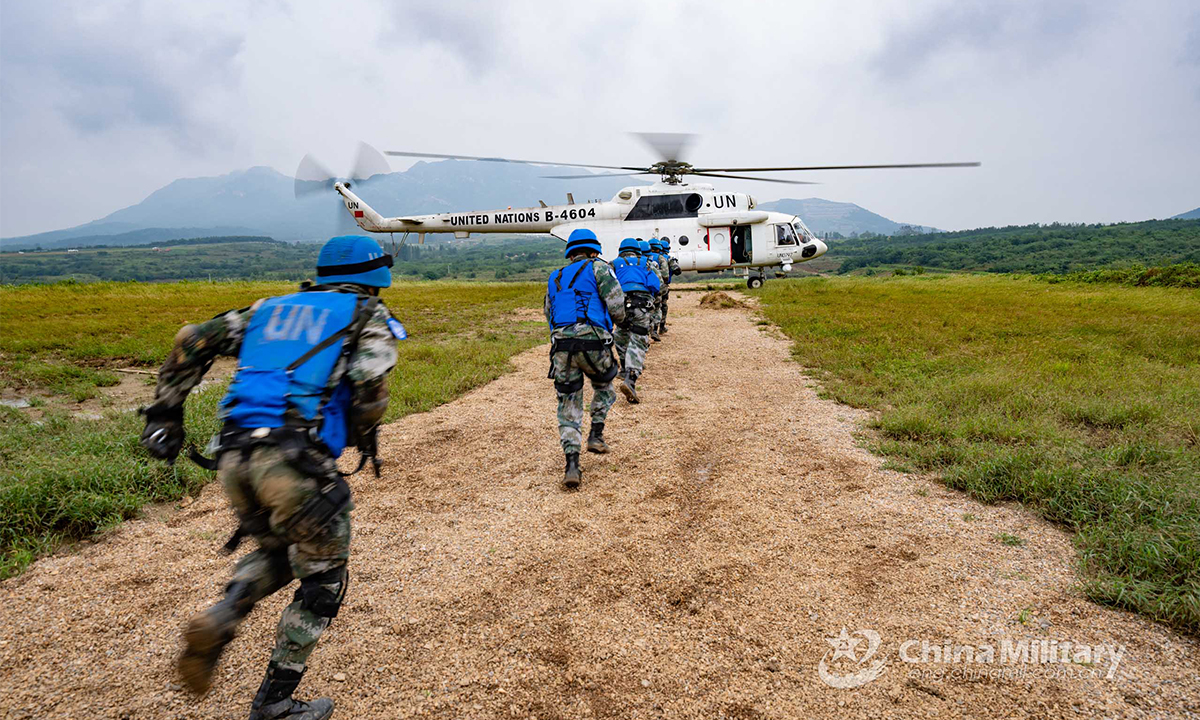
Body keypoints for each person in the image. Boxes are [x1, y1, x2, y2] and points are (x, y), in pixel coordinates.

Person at [140, 235, 404, 720]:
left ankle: (222, 616)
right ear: (376, 277)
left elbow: (191, 338)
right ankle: (275, 703)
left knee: (280, 550)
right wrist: (365, 435)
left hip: (235, 458)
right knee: (324, 579)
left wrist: (166, 414)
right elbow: (371, 391)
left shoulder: (270, 308)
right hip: (293, 464)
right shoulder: (366, 314)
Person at [545, 228, 625, 488]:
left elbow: (549, 313)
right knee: (605, 385)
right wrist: (618, 323)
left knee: (569, 404)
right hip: (593, 343)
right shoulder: (600, 269)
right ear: (594, 250)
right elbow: (616, 305)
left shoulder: (554, 276)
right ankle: (596, 435)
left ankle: (572, 463)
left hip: (561, 347)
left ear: (570, 252)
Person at [610, 237, 660, 404]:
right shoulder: (646, 262)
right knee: (638, 340)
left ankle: (624, 367)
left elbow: (608, 287)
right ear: (637, 250)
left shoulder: (614, 264)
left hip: (621, 306)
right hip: (641, 305)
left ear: (621, 250)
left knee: (621, 334)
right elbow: (655, 284)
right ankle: (630, 379)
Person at [652, 238, 680, 334]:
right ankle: (661, 327)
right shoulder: (666, 258)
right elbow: (677, 270)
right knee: (662, 307)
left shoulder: (645, 257)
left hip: (647, 286)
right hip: (662, 286)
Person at [640, 240, 665, 342]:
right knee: (657, 309)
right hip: (650, 294)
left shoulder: (624, 263)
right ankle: (654, 329)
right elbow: (661, 280)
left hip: (629, 296)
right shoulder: (651, 263)